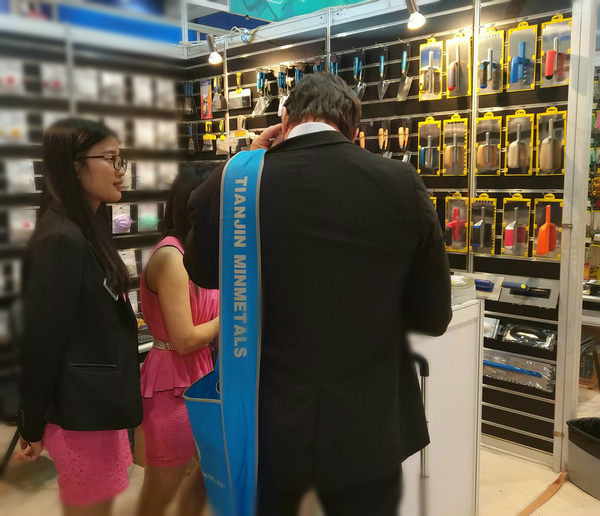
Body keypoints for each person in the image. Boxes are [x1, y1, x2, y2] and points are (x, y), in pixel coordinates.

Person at [184, 73, 452, 516]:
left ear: (283, 121)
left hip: (267, 430)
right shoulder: (400, 182)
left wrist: (246, 159)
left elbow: (201, 271)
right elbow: (433, 316)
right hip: (366, 429)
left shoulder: (238, 185)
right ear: (355, 131)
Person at [16, 118, 142, 516]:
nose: (120, 170)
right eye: (110, 158)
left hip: (95, 405)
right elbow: (42, 341)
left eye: (121, 159)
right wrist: (31, 423)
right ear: (73, 167)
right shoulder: (61, 237)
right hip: (79, 411)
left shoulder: (84, 229)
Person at [136, 163, 220, 516]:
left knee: (207, 474)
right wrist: (234, 317)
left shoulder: (196, 253)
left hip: (199, 373)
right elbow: (184, 338)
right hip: (173, 380)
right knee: (163, 482)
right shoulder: (172, 257)